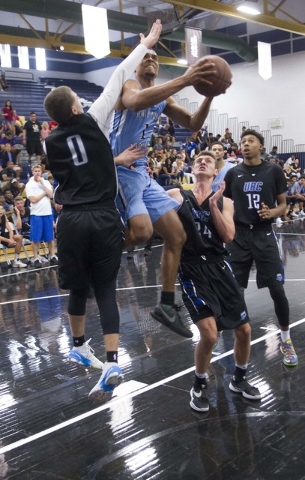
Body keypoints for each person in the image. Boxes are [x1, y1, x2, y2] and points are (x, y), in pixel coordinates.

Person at [43, 20, 163, 403]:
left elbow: (77, 167)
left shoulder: (49, 143)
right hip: (103, 214)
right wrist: (144, 44)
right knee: (106, 288)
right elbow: (119, 74)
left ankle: (78, 343)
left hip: (71, 220)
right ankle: (112, 360)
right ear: (78, 106)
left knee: (78, 286)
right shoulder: (95, 118)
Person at [110, 49, 217, 338]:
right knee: (143, 233)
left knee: (177, 235)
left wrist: (210, 94)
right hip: (120, 169)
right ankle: (89, 258)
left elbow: (193, 124)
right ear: (136, 63)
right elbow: (134, 102)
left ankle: (167, 306)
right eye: (146, 55)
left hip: (143, 175)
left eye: (156, 56)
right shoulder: (130, 85)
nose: (152, 59)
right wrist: (185, 80)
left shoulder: (162, 98)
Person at [167, 150, 260, 412]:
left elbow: (229, 236)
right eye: (198, 160)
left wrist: (212, 206)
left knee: (244, 330)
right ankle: (199, 384)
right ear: (192, 168)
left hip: (220, 267)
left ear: (215, 171)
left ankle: (239, 380)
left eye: (208, 160)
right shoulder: (176, 195)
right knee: (209, 335)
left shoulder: (225, 202)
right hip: (191, 269)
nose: (203, 162)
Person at [223, 129, 298, 366]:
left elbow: (283, 205)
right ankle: (240, 339)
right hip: (239, 237)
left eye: (250, 141)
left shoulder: (273, 170)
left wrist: (271, 212)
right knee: (235, 291)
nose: (245, 144)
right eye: (242, 142)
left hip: (264, 235)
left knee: (276, 289)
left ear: (261, 146)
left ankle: (285, 340)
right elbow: (225, 205)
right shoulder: (232, 174)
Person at [25, 164, 58, 268]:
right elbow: (33, 200)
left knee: (50, 238)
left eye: (39, 171)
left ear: (41, 172)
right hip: (36, 214)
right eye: (35, 171)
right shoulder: (29, 184)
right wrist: (44, 193)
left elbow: (51, 195)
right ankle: (36, 258)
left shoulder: (46, 182)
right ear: (32, 172)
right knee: (36, 239)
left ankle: (52, 256)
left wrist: (43, 184)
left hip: (47, 213)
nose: (37, 173)